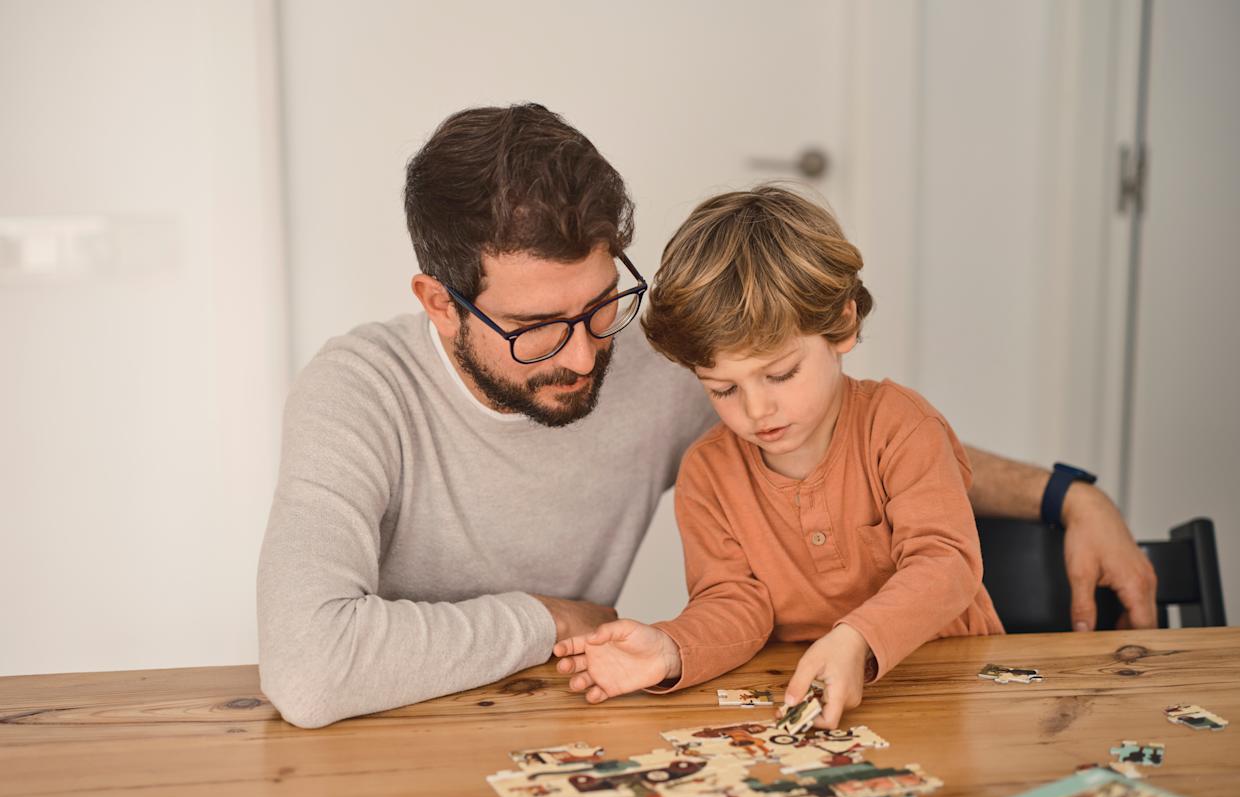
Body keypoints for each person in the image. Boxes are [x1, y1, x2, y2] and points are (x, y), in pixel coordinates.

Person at [256, 103, 1155, 729]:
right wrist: (556, 621)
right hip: (420, 729)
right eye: (535, 328)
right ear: (440, 302)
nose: (582, 354)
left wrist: (1069, 496)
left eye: (602, 303)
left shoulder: (669, 362)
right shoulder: (356, 393)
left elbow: (873, 447)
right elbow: (308, 665)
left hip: (610, 722)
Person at [554, 186, 1008, 726]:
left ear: (842, 325)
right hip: (806, 701)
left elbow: (946, 564)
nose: (756, 409)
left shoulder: (904, 427)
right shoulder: (707, 473)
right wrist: (670, 650)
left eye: (780, 374)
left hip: (947, 686)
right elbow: (733, 603)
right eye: (722, 389)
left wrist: (857, 637)